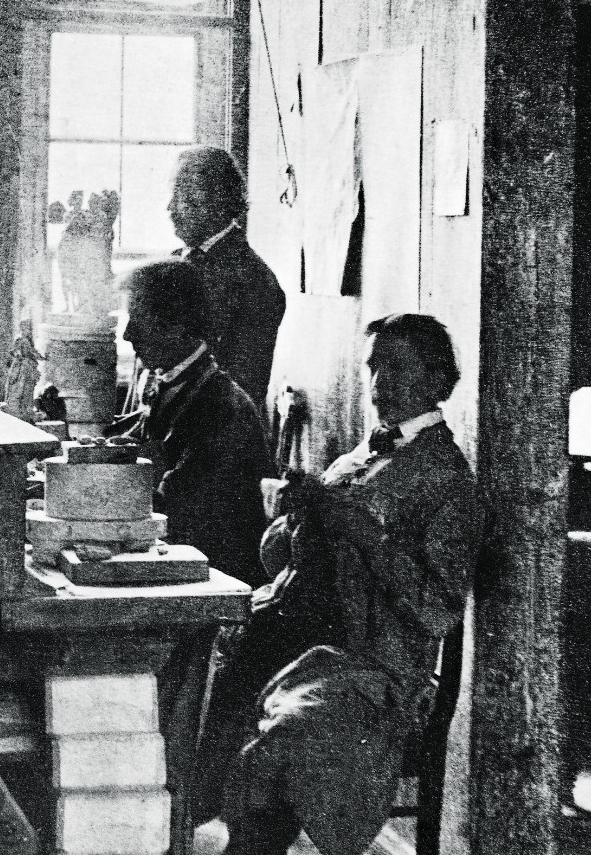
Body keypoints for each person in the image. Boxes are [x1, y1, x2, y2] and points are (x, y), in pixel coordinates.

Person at [192, 313, 478, 855]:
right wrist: (293, 518)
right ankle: (188, 822)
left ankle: (246, 843)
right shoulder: (359, 457)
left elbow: (435, 610)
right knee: (196, 686)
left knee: (284, 735)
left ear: (438, 381)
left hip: (372, 663)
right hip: (298, 636)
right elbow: (280, 562)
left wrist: (360, 530)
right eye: (374, 367)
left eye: (397, 368)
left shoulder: (448, 479)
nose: (379, 383)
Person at [114, 260, 271, 587]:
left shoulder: (221, 407)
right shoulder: (169, 381)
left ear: (177, 326)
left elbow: (176, 509)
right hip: (177, 560)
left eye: (138, 321)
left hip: (217, 578)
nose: (128, 334)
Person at [168, 148, 286, 421]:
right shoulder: (176, 261)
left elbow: (238, 392)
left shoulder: (254, 280)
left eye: (183, 198)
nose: (170, 209)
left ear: (217, 202)